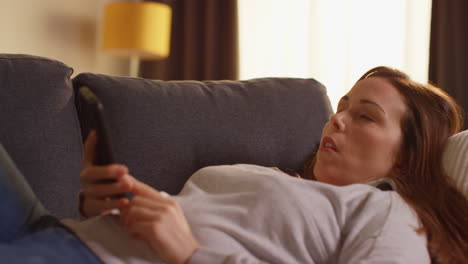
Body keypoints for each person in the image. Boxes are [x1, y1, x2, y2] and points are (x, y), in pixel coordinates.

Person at [1, 66, 466, 263]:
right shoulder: (274, 176)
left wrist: (191, 253)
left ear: (406, 158)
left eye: (364, 116)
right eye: (342, 105)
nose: (337, 120)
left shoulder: (391, 216)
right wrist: (100, 202)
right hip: (56, 229)